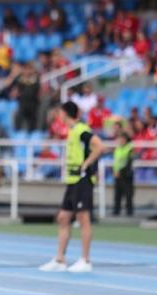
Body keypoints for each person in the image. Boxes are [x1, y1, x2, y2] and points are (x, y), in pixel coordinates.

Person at [39, 101, 105, 273]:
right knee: (63, 217)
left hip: (82, 180)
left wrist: (86, 164)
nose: (58, 116)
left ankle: (85, 260)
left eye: (59, 113)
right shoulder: (72, 131)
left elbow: (99, 146)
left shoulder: (81, 130)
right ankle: (60, 259)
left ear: (65, 113)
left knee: (83, 218)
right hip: (72, 180)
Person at [112, 132, 135, 216]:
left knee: (128, 193)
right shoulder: (117, 149)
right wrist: (114, 171)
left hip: (126, 174)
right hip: (117, 174)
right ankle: (116, 210)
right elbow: (116, 162)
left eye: (122, 139)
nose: (120, 140)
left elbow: (129, 162)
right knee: (117, 194)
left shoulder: (129, 148)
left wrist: (120, 171)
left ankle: (129, 211)